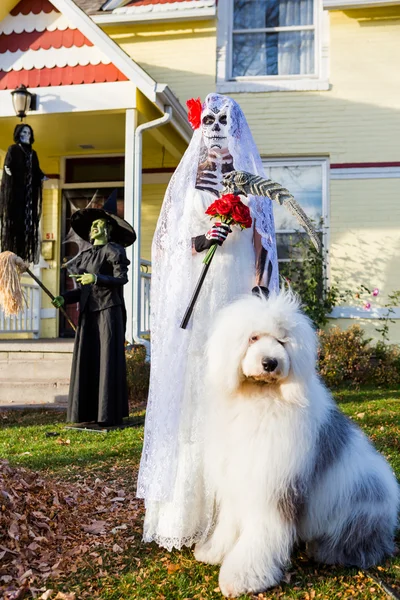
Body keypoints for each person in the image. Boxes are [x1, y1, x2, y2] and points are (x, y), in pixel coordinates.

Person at [137, 93, 279, 550]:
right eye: (210, 120)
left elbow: (263, 240)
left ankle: (236, 514)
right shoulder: (189, 182)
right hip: (200, 296)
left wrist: (260, 286)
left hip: (235, 291)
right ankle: (186, 513)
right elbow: (172, 244)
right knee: (196, 386)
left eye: (225, 121)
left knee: (234, 386)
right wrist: (205, 235)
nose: (217, 129)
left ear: (235, 127)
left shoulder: (250, 181)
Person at [52, 202, 136, 427]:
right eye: (93, 226)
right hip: (89, 312)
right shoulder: (86, 255)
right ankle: (85, 413)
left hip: (109, 310)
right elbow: (82, 289)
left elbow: (122, 279)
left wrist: (97, 279)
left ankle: (107, 415)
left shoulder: (114, 250)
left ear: (108, 229)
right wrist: (64, 298)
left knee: (107, 359)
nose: (94, 228)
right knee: (87, 359)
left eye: (99, 224)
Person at [0, 124, 45, 263]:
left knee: (27, 224)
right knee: (15, 221)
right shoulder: (13, 149)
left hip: (28, 195)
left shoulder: (33, 154)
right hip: (16, 192)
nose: (27, 134)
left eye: (29, 132)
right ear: (19, 134)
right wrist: (8, 172)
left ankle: (22, 253)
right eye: (24, 132)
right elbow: (8, 164)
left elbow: (37, 170)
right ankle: (12, 252)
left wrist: (42, 177)